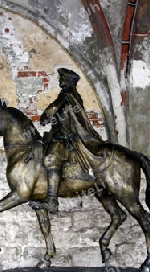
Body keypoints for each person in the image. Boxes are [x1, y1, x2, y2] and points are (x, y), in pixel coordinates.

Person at [38, 68, 102, 214]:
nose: (60, 80)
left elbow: (52, 109)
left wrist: (45, 116)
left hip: (66, 137)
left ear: (69, 81)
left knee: (51, 159)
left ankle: (52, 200)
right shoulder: (70, 95)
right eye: (60, 78)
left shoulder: (67, 95)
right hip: (59, 134)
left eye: (62, 78)